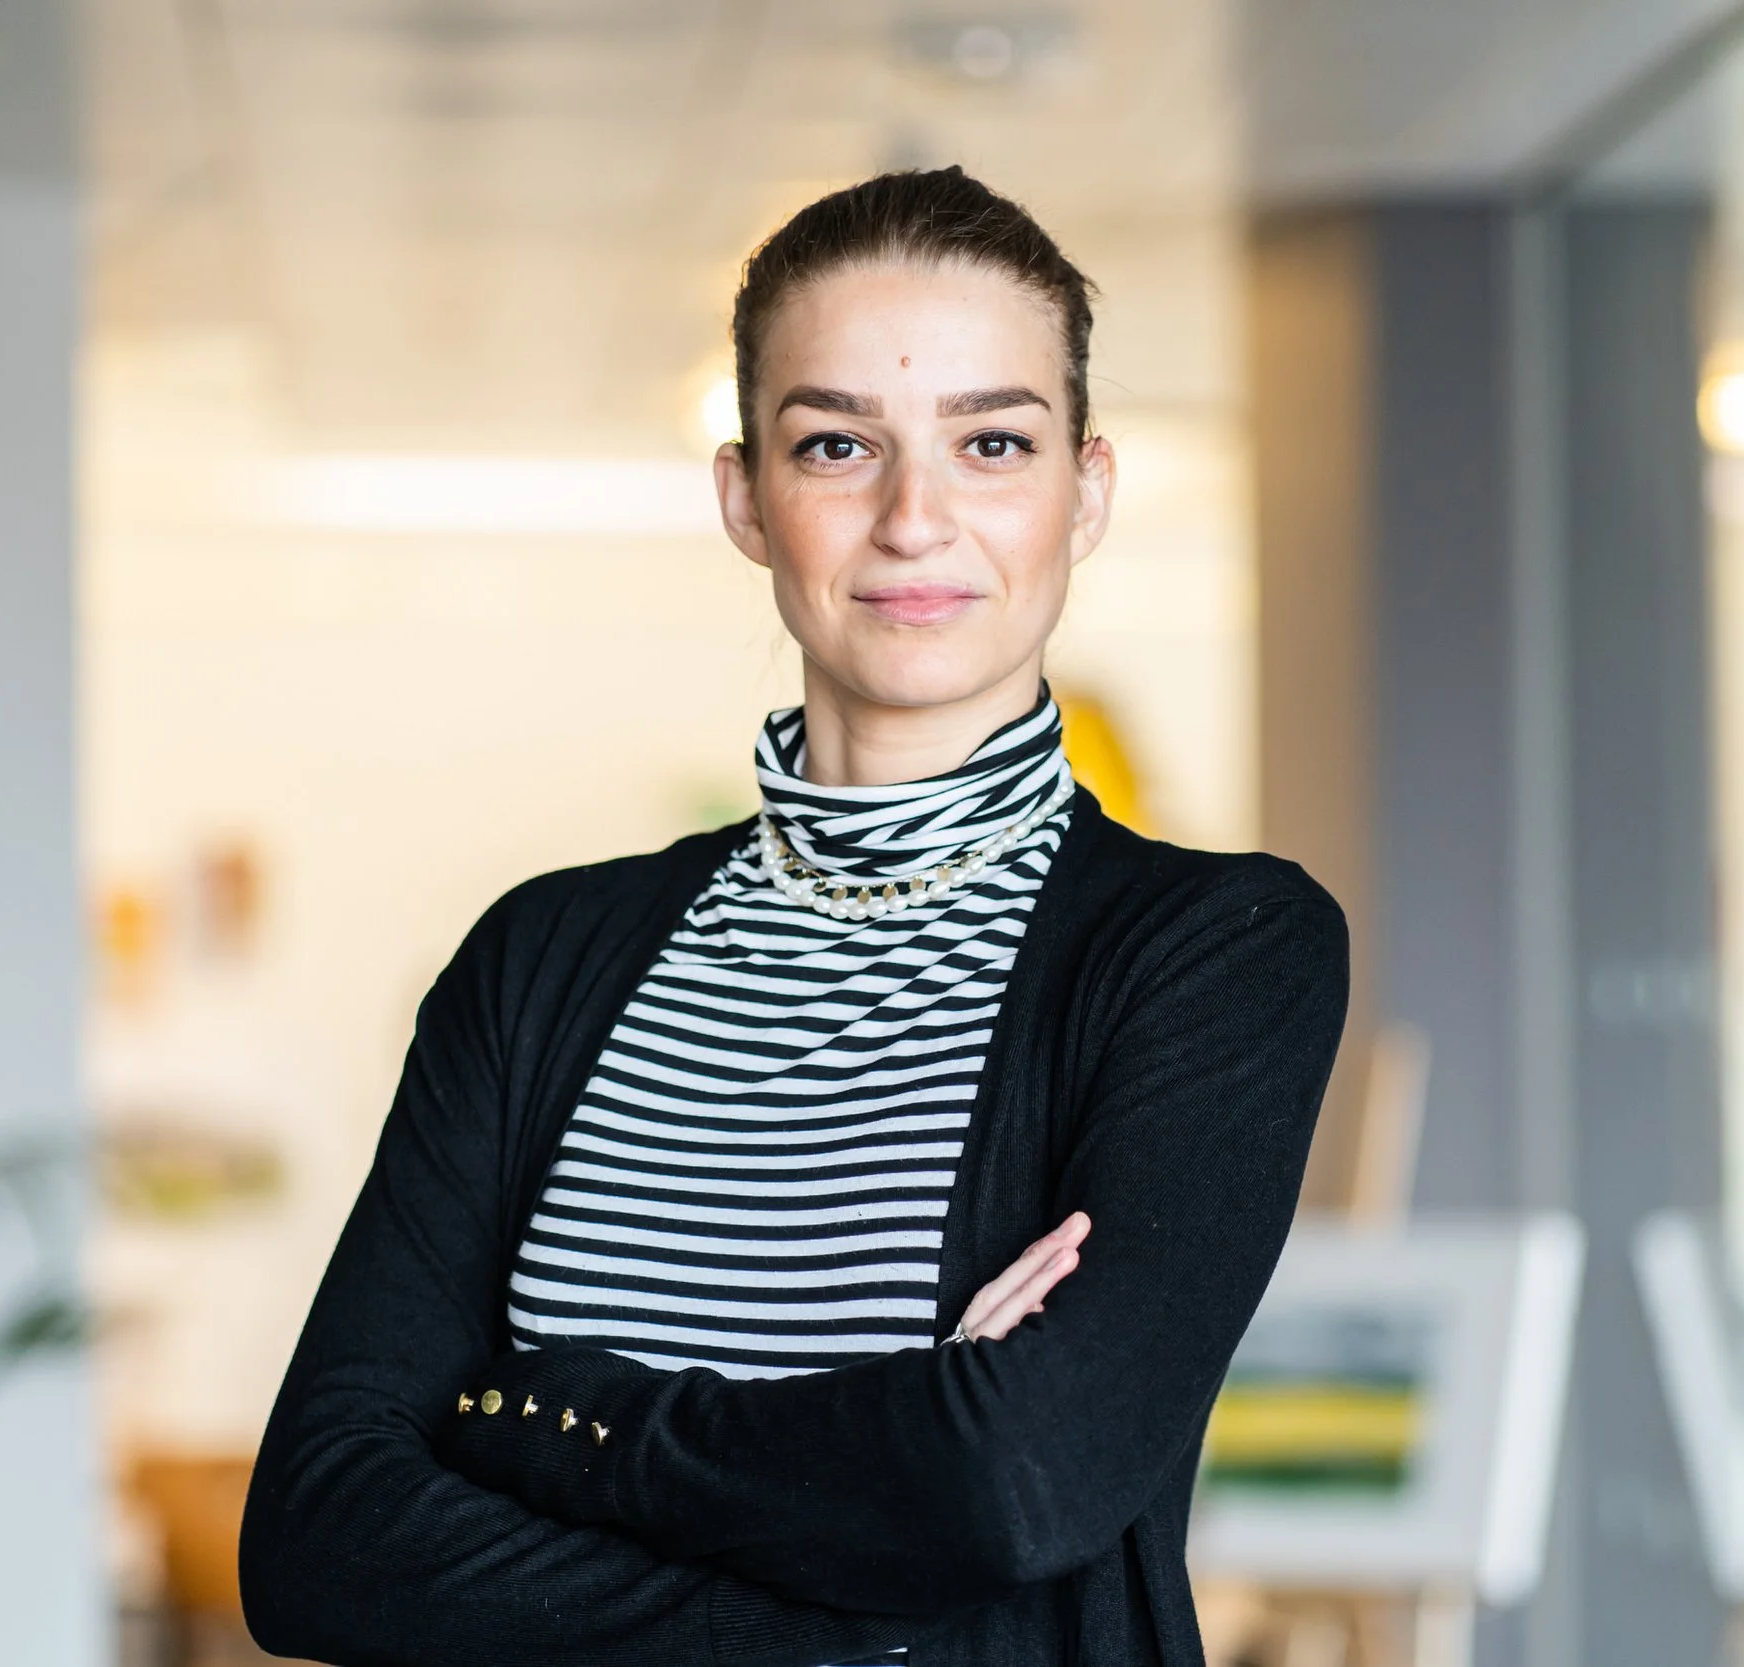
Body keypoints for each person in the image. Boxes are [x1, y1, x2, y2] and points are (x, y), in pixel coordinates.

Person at [238, 166, 1350, 1667]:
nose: (914, 519)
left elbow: (1021, 1477)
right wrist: (839, 1594)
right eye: (838, 444)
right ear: (746, 496)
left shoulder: (1210, 952)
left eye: (992, 441)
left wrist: (543, 1413)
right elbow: (317, 1539)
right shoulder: (541, 962)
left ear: (1084, 491)